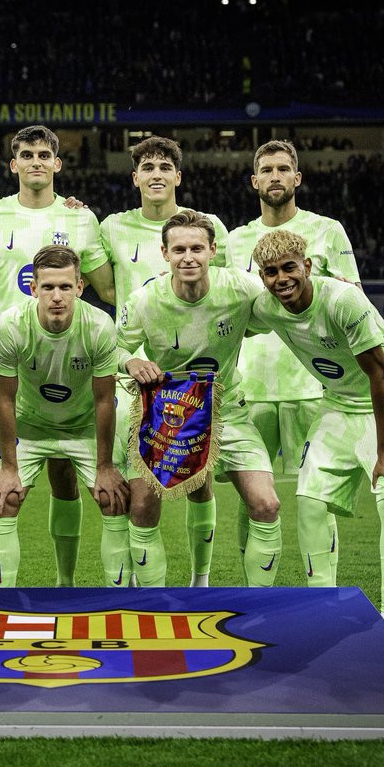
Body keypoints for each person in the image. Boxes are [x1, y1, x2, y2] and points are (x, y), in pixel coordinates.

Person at [250, 229, 384, 639]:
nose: (282, 279)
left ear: (307, 266)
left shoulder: (342, 300)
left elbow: (380, 376)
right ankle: (322, 606)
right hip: (338, 403)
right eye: (271, 272)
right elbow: (226, 307)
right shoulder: (266, 307)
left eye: (289, 268)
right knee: (309, 500)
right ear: (262, 277)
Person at [0, 125, 115, 583]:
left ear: (57, 163)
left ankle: (65, 583)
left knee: (66, 477)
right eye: (27, 154)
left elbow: (109, 288)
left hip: (70, 361)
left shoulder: (82, 218)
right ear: (13, 164)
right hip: (10, 360)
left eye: (43, 154)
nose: (35, 161)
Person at [118, 211, 281, 588]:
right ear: (165, 253)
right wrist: (131, 361)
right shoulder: (145, 301)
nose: (188, 257)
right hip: (165, 415)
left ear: (212, 250)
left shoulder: (241, 287)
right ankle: (153, 604)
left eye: (196, 248)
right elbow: (113, 348)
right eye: (179, 250)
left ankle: (249, 602)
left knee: (266, 504)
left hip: (227, 413)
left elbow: (286, 306)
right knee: (141, 506)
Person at [225, 139, 361, 584]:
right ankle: (255, 593)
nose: (276, 176)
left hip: (312, 385)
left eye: (284, 168)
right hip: (251, 387)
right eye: (267, 170)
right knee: (253, 499)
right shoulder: (235, 240)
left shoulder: (328, 230)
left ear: (297, 177)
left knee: (317, 497)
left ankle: (322, 593)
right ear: (254, 181)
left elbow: (353, 297)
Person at [100, 135, 229, 586]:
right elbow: (102, 285)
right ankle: (138, 585)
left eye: (164, 167)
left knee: (201, 481)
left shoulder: (206, 226)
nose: (156, 174)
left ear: (178, 176)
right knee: (139, 490)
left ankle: (201, 580)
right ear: (135, 177)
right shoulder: (111, 227)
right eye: (148, 167)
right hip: (134, 375)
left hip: (196, 376)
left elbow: (225, 294)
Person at [0, 246, 129, 587]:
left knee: (113, 499)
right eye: (48, 287)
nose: (57, 296)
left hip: (83, 427)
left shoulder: (99, 326)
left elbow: (104, 400)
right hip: (29, 427)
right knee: (4, 500)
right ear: (33, 288)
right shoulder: (11, 325)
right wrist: (8, 467)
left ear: (79, 287)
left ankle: (82, 590)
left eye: (65, 287)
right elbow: (4, 399)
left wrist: (105, 466)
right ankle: (2, 602)